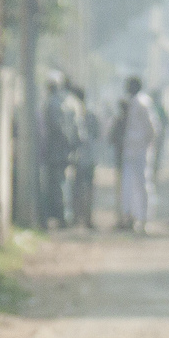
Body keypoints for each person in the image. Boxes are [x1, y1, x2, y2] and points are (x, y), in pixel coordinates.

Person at [115, 76, 159, 233]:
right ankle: (129, 218)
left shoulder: (142, 102)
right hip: (130, 150)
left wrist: (145, 145)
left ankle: (143, 218)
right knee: (128, 185)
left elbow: (153, 128)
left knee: (141, 184)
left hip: (140, 150)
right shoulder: (130, 102)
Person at [39, 75, 71, 228]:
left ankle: (59, 217)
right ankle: (60, 217)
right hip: (56, 152)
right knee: (58, 185)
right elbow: (59, 128)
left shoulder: (52, 103)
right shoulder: (57, 103)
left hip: (54, 152)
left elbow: (57, 128)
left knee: (56, 185)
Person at [67, 85, 99, 230]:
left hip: (80, 157)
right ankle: (87, 218)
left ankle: (77, 217)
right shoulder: (92, 113)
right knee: (88, 188)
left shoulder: (75, 112)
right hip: (90, 156)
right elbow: (97, 134)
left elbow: (76, 136)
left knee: (78, 187)